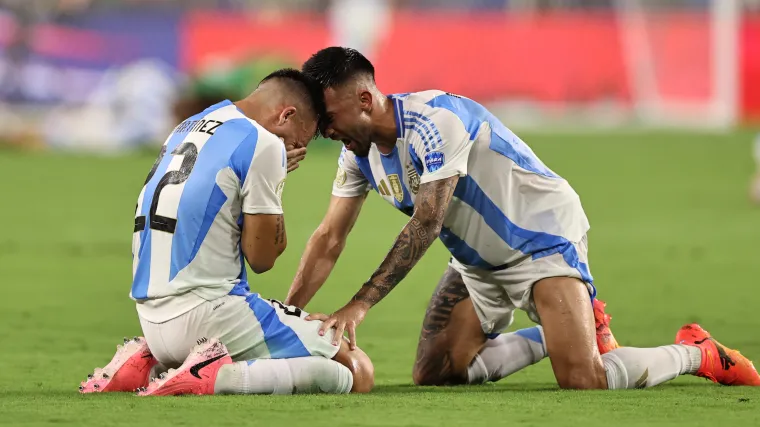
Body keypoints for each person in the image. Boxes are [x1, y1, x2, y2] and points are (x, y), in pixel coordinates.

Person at [287, 47, 760, 389]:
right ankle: (568, 330)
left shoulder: (436, 121)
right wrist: (285, 316)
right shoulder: (358, 155)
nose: (325, 130)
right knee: (436, 372)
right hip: (476, 261)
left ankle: (697, 352)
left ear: (365, 100)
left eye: (329, 116)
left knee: (583, 378)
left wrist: (360, 303)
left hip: (539, 238)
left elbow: (428, 222)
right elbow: (329, 237)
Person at [78, 68, 374, 396]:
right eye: (295, 143)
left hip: (150, 316)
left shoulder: (186, 127)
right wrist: (275, 178)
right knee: (356, 371)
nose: (291, 151)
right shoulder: (263, 143)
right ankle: (217, 378)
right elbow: (262, 258)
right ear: (287, 115)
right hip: (208, 313)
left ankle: (150, 363)